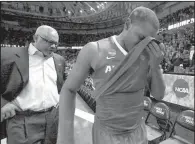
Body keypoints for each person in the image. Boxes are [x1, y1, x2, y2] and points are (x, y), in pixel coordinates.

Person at [57, 6, 165, 144]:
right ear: (127, 24)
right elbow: (69, 89)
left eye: (148, 41)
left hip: (138, 133)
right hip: (107, 135)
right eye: (141, 37)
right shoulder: (95, 50)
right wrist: (65, 137)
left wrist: (156, 67)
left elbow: (159, 95)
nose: (143, 44)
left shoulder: (148, 54)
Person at [1, 25, 66, 144]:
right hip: (21, 119)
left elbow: (60, 85)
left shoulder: (59, 60)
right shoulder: (8, 55)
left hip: (52, 118)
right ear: (35, 38)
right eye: (49, 42)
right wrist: (3, 103)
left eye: (56, 43)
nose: (53, 46)